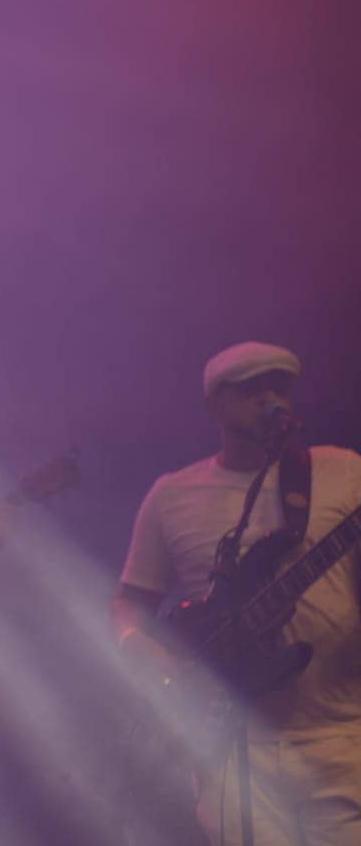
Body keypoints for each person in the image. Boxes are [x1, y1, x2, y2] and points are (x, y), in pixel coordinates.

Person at [114, 342, 361, 844]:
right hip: (229, 746)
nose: (271, 399)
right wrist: (149, 656)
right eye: (252, 390)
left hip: (338, 738)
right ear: (214, 406)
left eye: (280, 388)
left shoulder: (342, 470)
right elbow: (129, 606)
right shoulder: (172, 495)